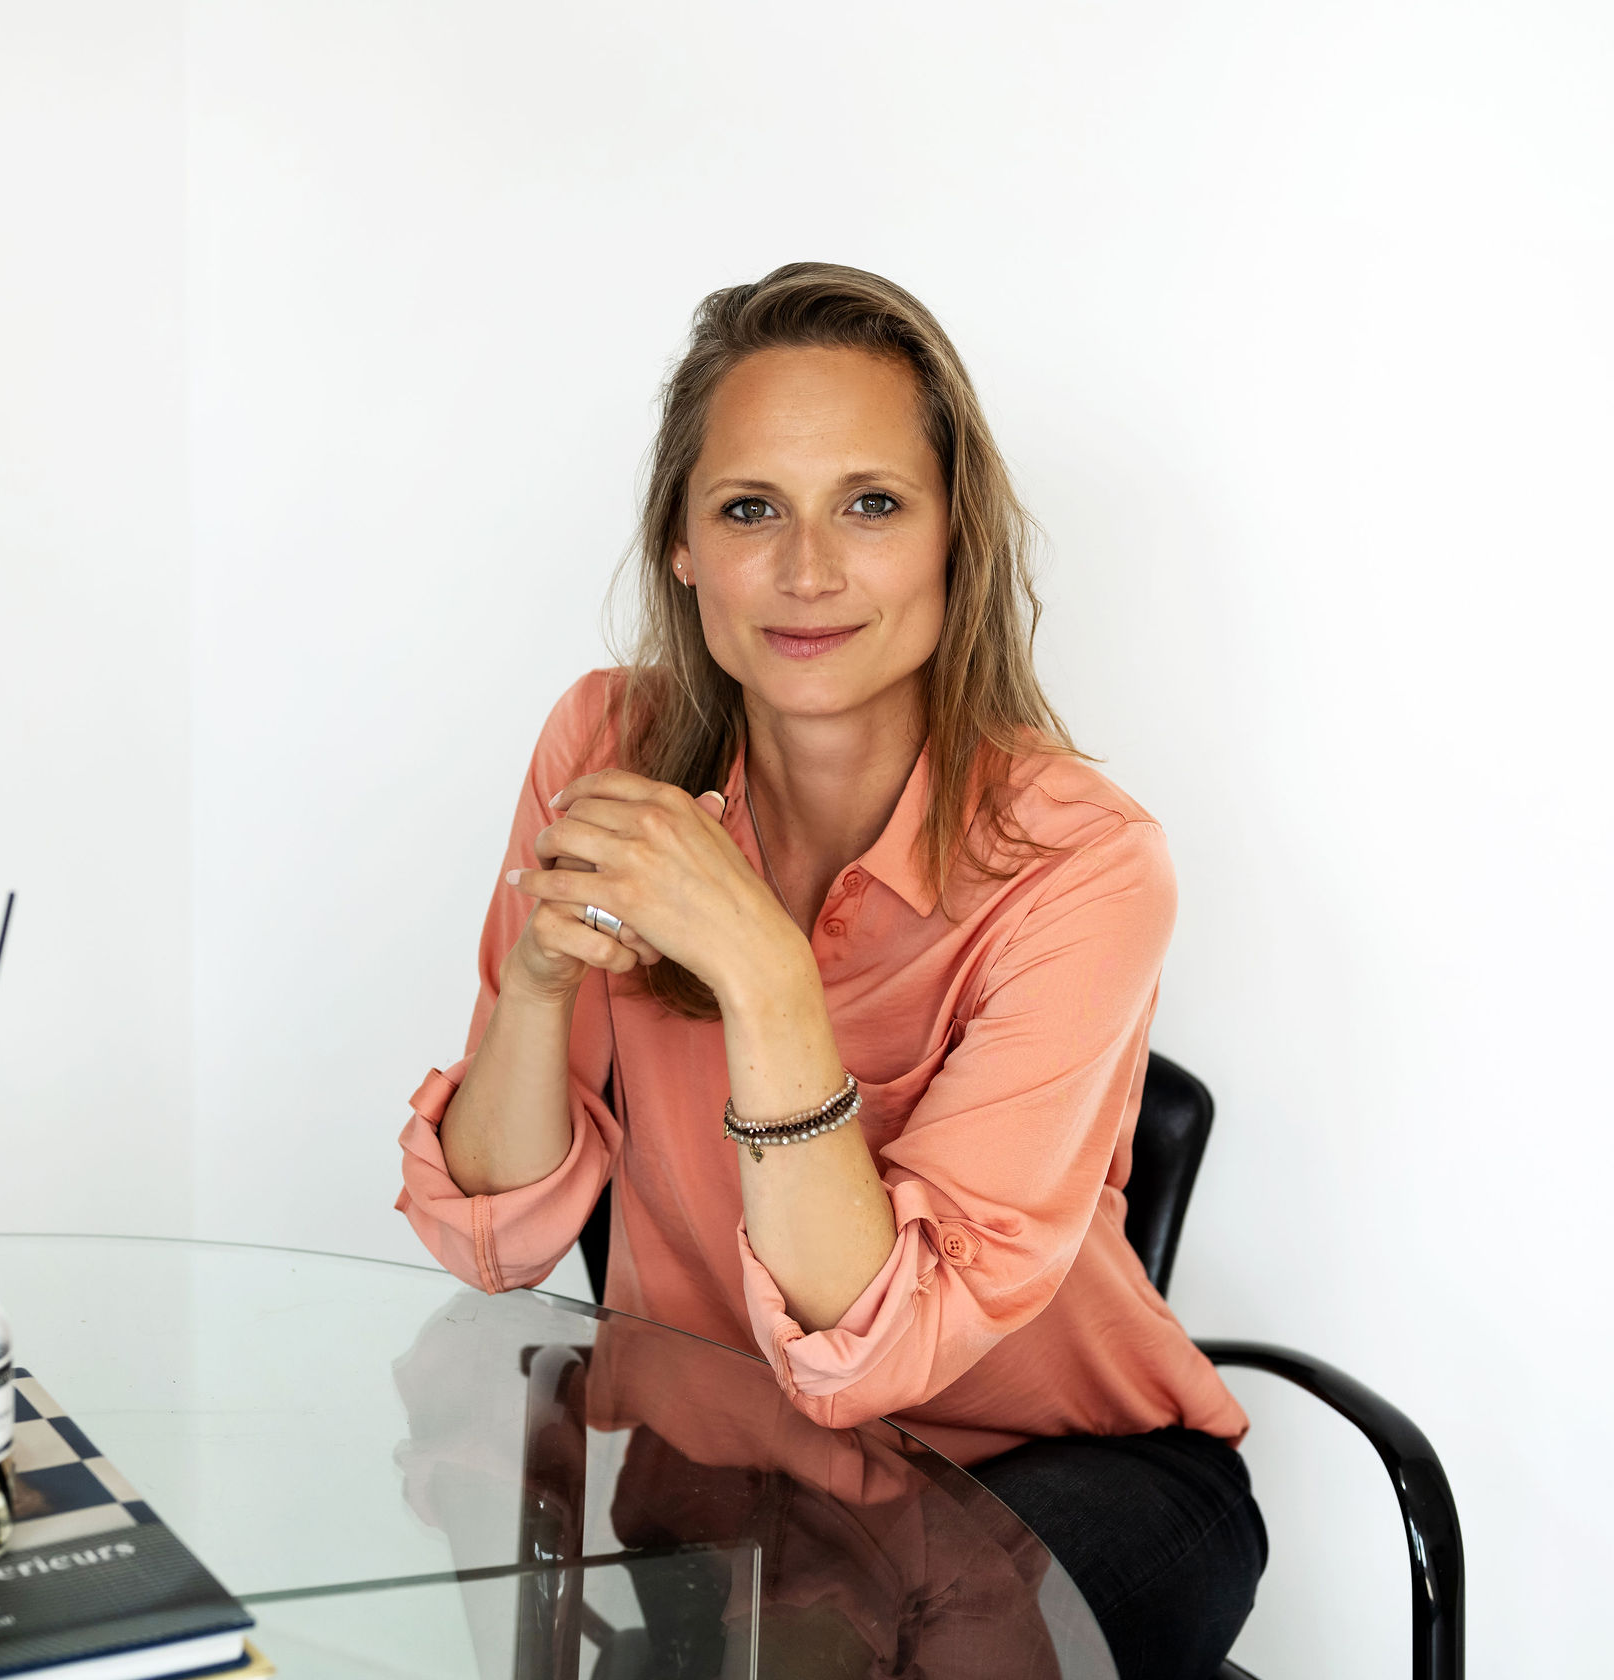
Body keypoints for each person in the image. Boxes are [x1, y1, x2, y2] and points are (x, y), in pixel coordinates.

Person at [395, 261, 1266, 1680]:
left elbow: (873, 1352)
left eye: (871, 504)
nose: (808, 571)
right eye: (752, 509)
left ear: (955, 538)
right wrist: (541, 982)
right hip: (737, 1476)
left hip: (1060, 1470)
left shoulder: (1085, 863)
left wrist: (763, 974)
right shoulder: (608, 751)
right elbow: (491, 1240)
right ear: (683, 545)